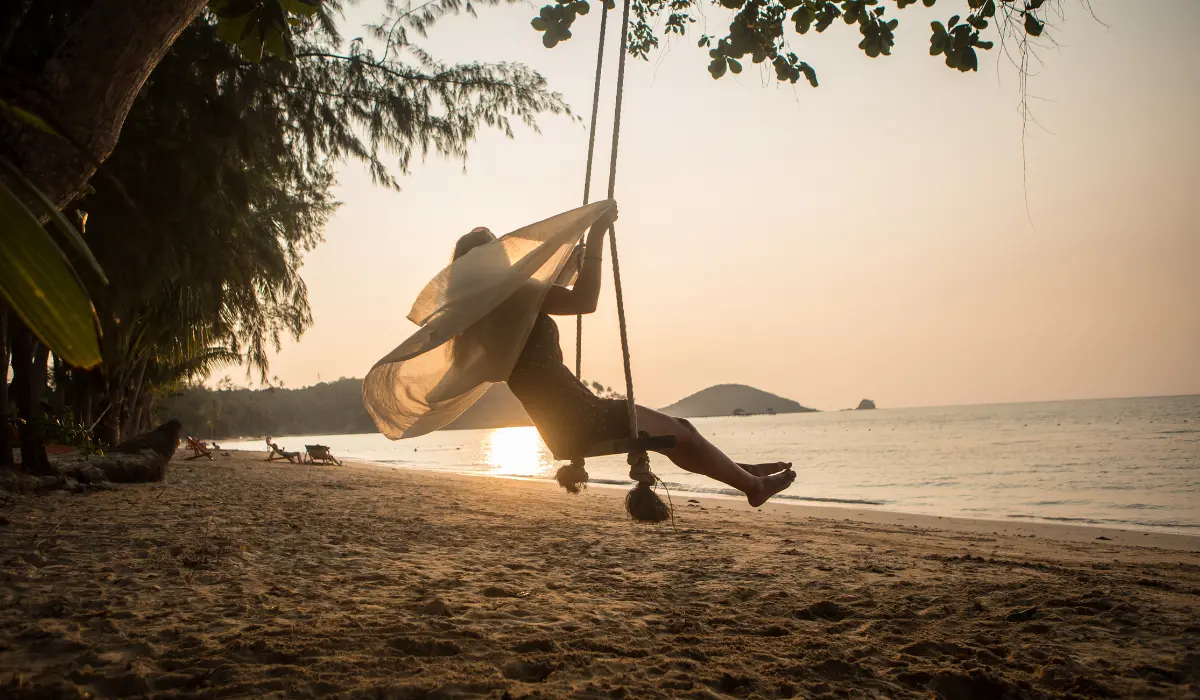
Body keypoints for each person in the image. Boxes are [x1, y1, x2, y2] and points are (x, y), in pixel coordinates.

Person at [454, 204, 796, 507]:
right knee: (681, 433)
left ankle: (740, 473)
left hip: (559, 423)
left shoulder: (483, 316)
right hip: (579, 414)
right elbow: (584, 301)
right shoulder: (514, 299)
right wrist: (598, 235)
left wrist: (575, 264)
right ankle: (752, 486)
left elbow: (542, 301)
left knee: (682, 430)